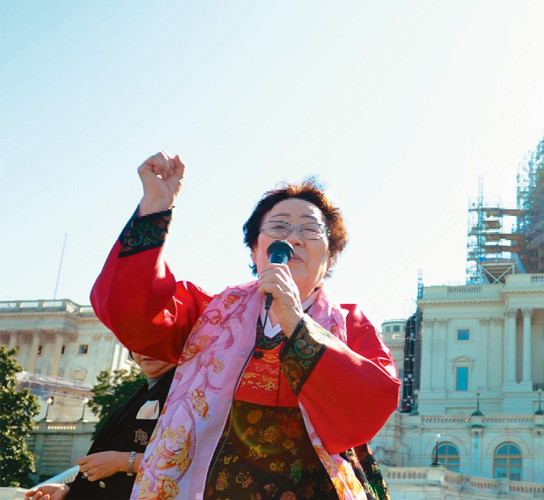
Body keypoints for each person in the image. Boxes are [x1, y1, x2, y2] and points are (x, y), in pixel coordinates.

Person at [89, 152, 400, 500]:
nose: (294, 237)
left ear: (329, 259)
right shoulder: (209, 314)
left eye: (310, 229)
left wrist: (296, 323)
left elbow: (369, 405)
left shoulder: (350, 325)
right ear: (255, 251)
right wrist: (156, 205)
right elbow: (128, 308)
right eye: (279, 226)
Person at [24, 353, 177, 500]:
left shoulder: (184, 391)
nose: (146, 350)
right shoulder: (148, 389)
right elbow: (111, 472)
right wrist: (71, 490)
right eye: (136, 342)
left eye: (157, 341)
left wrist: (124, 462)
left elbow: (191, 462)